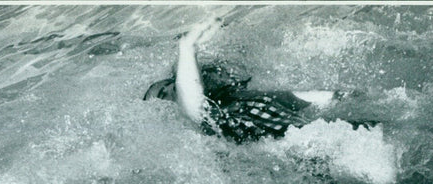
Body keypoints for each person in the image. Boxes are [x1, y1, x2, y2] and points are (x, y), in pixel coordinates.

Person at [143, 18, 367, 143]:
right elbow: (191, 102)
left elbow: (293, 98)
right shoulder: (207, 126)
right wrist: (186, 47)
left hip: (317, 137)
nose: (170, 93)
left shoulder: (235, 100)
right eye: (162, 98)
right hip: (302, 149)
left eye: (165, 87)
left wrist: (340, 96)